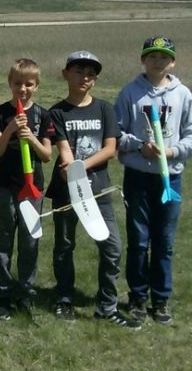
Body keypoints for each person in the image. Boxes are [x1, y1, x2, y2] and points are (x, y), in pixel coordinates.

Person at [47, 51, 139, 328]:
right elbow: (63, 149)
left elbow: (110, 149)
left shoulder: (104, 109)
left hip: (98, 191)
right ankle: (64, 297)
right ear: (66, 73)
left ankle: (107, 306)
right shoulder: (57, 112)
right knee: (64, 245)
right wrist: (69, 169)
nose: (85, 77)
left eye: (90, 73)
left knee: (111, 248)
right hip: (66, 190)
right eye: (78, 71)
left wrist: (79, 167)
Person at [115, 36, 192, 326]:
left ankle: (161, 299)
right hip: (138, 178)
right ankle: (137, 298)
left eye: (163, 56)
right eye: (152, 56)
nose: (157, 61)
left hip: (170, 178)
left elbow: (190, 135)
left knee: (165, 242)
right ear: (143, 60)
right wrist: (138, 145)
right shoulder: (130, 93)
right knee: (138, 240)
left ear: (172, 61)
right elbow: (117, 133)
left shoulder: (183, 94)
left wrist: (173, 150)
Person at [0, 58, 53, 320]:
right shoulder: (0, 113)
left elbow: (47, 155)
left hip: (32, 189)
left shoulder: (43, 115)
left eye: (28, 84)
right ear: (9, 83)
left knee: (30, 242)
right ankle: (2, 292)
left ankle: (25, 292)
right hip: (4, 187)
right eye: (17, 84)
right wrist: (10, 130)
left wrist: (32, 138)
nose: (22, 89)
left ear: (36, 86)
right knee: (2, 241)